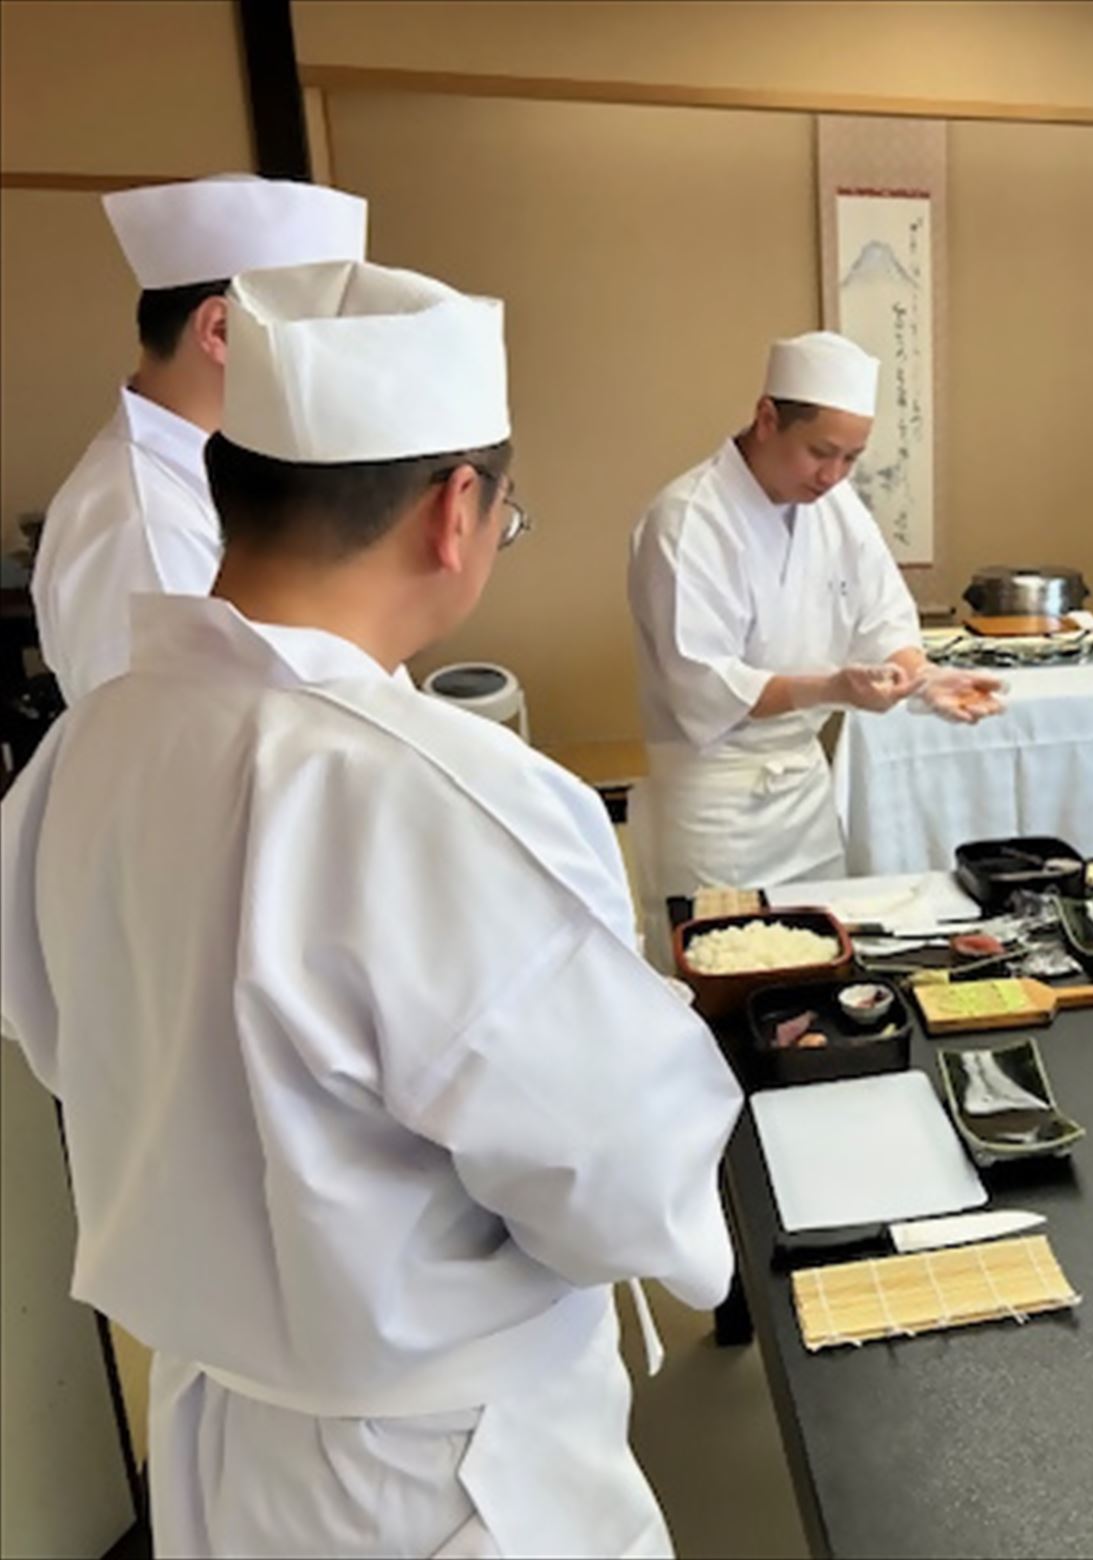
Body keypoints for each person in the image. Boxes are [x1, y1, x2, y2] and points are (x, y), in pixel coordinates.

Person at [1, 259, 743, 1557]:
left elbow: (62, 1034)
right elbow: (627, 1181)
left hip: (222, 1433)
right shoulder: (437, 794)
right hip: (441, 1472)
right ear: (456, 512)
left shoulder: (93, 742)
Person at [626, 331, 1002, 962]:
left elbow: (881, 615)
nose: (833, 476)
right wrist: (829, 688)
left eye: (852, 459)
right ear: (767, 417)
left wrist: (923, 676)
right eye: (820, 453)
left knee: (819, 965)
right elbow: (704, 686)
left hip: (803, 791)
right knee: (722, 979)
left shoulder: (836, 506)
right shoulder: (689, 519)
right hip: (715, 799)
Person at [31, 174, 367, 702]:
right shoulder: (143, 526)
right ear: (220, 331)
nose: (330, 358)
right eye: (314, 329)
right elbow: (172, 748)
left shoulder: (221, 469)